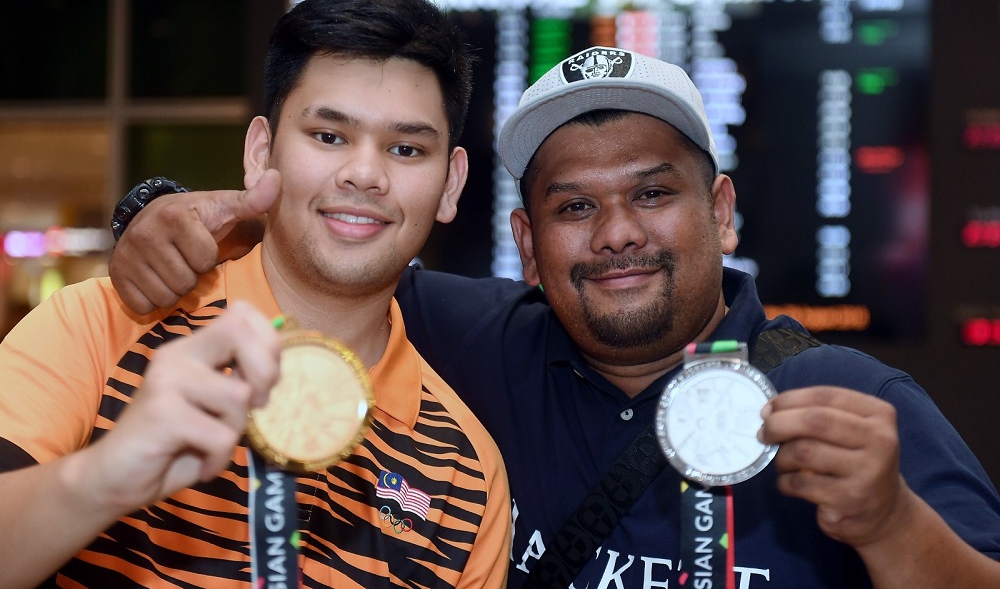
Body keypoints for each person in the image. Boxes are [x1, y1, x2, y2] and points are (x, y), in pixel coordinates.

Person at [109, 46, 1000, 588]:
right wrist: (157, 207)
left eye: (653, 193)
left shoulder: (845, 397)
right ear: (527, 245)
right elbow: (318, 252)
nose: (618, 235)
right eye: (573, 208)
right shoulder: (466, 339)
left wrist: (890, 524)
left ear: (722, 212)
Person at [0, 0, 511, 589]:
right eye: (329, 136)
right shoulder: (99, 328)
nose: (366, 173)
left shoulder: (468, 474)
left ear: (451, 184)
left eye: (406, 148)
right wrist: (102, 477)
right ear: (261, 151)